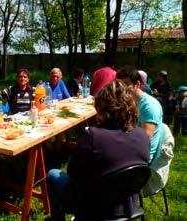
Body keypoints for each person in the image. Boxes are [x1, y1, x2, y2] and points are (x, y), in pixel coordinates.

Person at [47, 80, 150, 220]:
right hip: (126, 206)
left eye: (99, 111)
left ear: (104, 111)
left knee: (53, 174)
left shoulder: (94, 136)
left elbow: (73, 172)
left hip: (93, 207)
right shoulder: (142, 135)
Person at [117, 66, 163, 163]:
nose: (121, 89)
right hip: (129, 148)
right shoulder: (129, 101)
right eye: (119, 85)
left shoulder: (149, 106)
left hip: (139, 159)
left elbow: (144, 140)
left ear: (137, 84)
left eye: (126, 84)